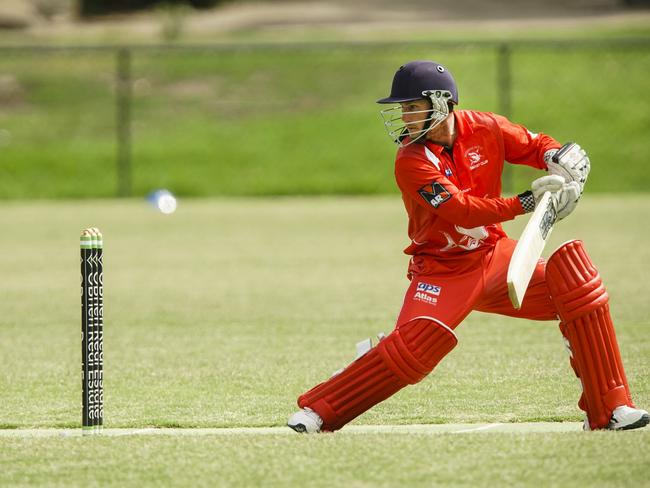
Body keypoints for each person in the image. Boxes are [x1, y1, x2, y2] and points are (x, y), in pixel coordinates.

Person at [287, 60, 649, 433]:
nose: (405, 116)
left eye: (412, 106)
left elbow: (534, 145)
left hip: (494, 257)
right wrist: (526, 202)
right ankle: (319, 410)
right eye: (403, 109)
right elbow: (462, 211)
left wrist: (555, 157)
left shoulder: (486, 127)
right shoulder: (410, 161)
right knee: (412, 349)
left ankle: (611, 409)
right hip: (442, 270)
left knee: (577, 286)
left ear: (442, 102)